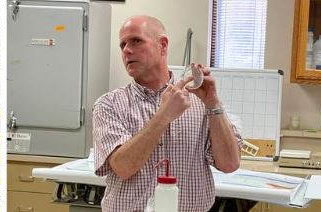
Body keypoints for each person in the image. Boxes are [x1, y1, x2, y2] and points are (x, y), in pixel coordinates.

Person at [92, 15, 242, 211]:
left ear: (162, 45)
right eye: (122, 45)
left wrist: (213, 102)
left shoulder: (200, 102)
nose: (127, 50)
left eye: (136, 41)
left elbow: (230, 164)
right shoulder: (108, 105)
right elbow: (123, 167)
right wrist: (164, 115)